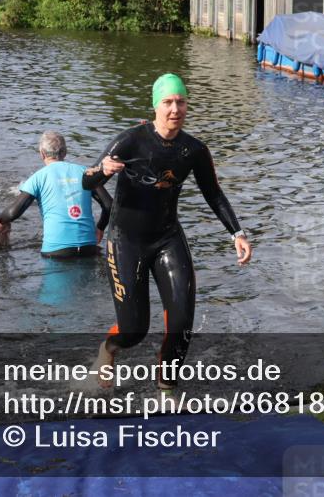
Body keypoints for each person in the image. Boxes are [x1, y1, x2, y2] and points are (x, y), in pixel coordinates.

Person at [83, 73, 252, 390]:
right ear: (156, 105)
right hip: (125, 241)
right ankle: (107, 350)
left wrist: (237, 233)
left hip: (166, 238)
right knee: (134, 331)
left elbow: (213, 193)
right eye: (168, 102)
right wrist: (103, 171)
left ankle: (166, 390)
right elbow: (87, 180)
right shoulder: (131, 140)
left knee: (181, 324)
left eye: (181, 101)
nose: (175, 109)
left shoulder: (193, 150)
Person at [0, 131, 111, 258]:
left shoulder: (38, 177)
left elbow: (13, 213)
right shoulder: (85, 172)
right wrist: (100, 228)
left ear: (42, 154)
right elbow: (109, 205)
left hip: (56, 252)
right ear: (65, 152)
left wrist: (2, 221)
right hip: (89, 249)